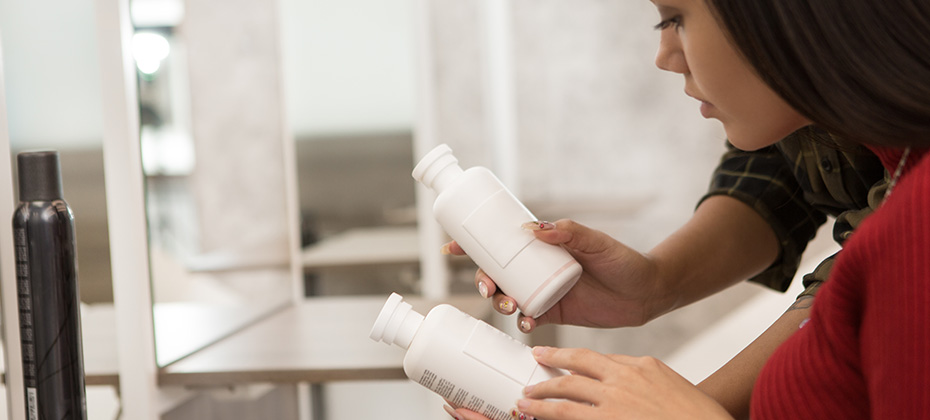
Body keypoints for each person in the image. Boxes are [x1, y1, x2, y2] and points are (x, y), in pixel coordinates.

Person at [443, 0, 930, 419]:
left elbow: (869, 284)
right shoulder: (896, 201)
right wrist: (654, 285)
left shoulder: (908, 230)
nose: (663, 57)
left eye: (673, 18)